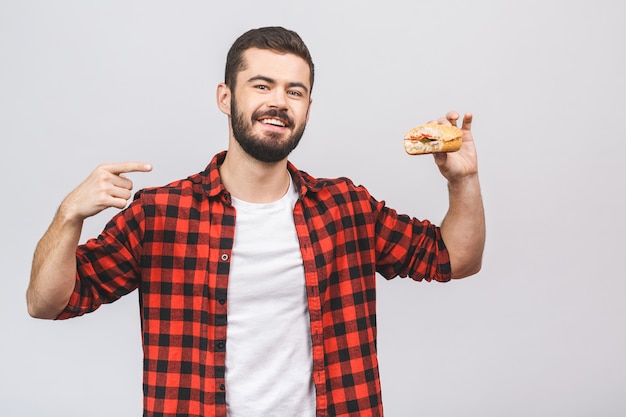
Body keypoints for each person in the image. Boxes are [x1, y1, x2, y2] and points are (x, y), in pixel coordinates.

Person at [27, 26, 485, 417]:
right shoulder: (159, 215)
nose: (279, 102)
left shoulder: (346, 208)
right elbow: (48, 303)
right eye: (262, 86)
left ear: (308, 107)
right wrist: (69, 216)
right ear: (226, 98)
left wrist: (463, 180)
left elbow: (455, 259)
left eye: (295, 91)